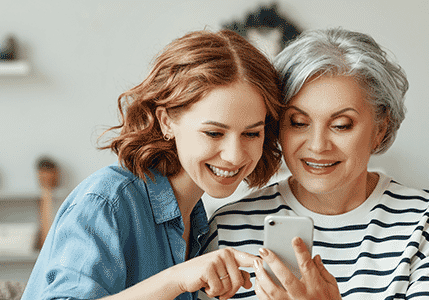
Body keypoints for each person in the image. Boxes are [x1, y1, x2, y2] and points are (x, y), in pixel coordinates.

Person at [202, 27, 429, 299]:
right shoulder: (228, 228)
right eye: (298, 123)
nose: (318, 145)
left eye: (341, 125)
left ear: (381, 128)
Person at [21, 29, 283, 300]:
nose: (234, 156)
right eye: (214, 133)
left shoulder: (196, 220)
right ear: (167, 121)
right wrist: (177, 279)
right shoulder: (108, 201)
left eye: (252, 134)